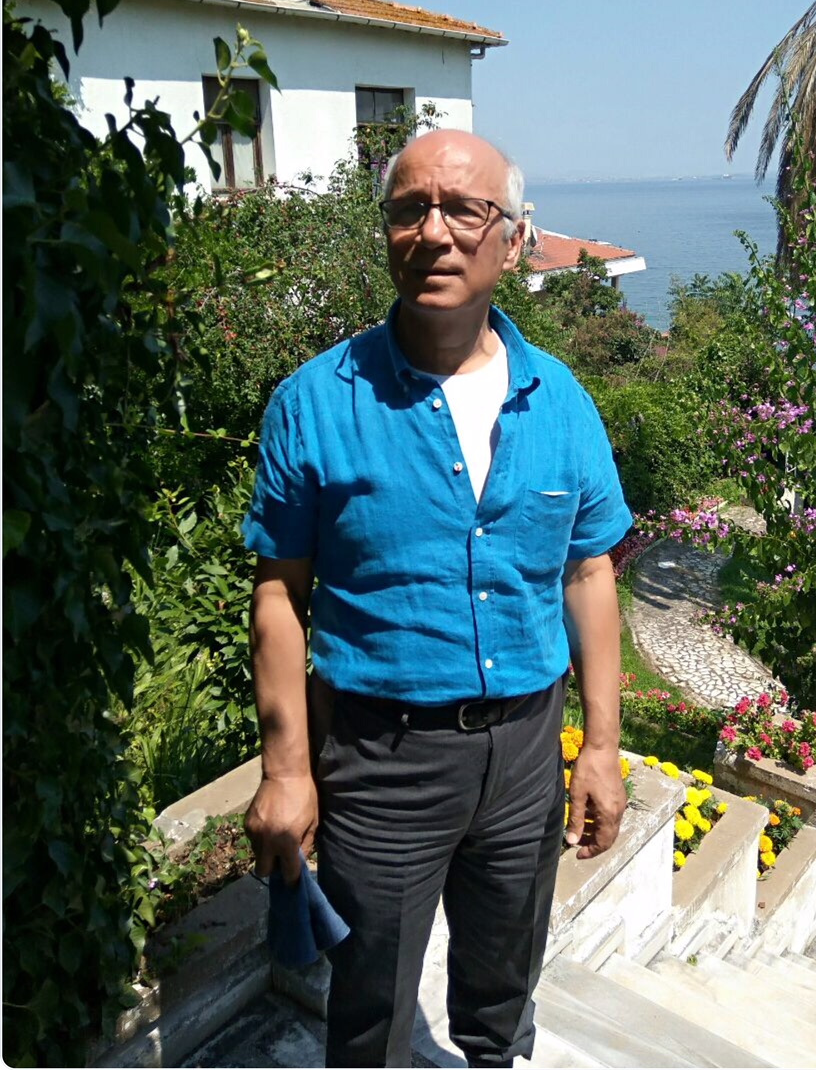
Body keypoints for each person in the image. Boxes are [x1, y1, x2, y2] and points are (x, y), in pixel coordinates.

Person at [242, 129, 632, 1068]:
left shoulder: (563, 402)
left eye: (464, 209)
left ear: (514, 238)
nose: (434, 232)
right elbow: (280, 595)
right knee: (370, 1012)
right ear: (386, 232)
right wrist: (287, 770)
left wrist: (601, 747)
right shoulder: (316, 403)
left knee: (503, 994)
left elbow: (588, 573)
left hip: (528, 752)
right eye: (409, 209)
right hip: (382, 760)